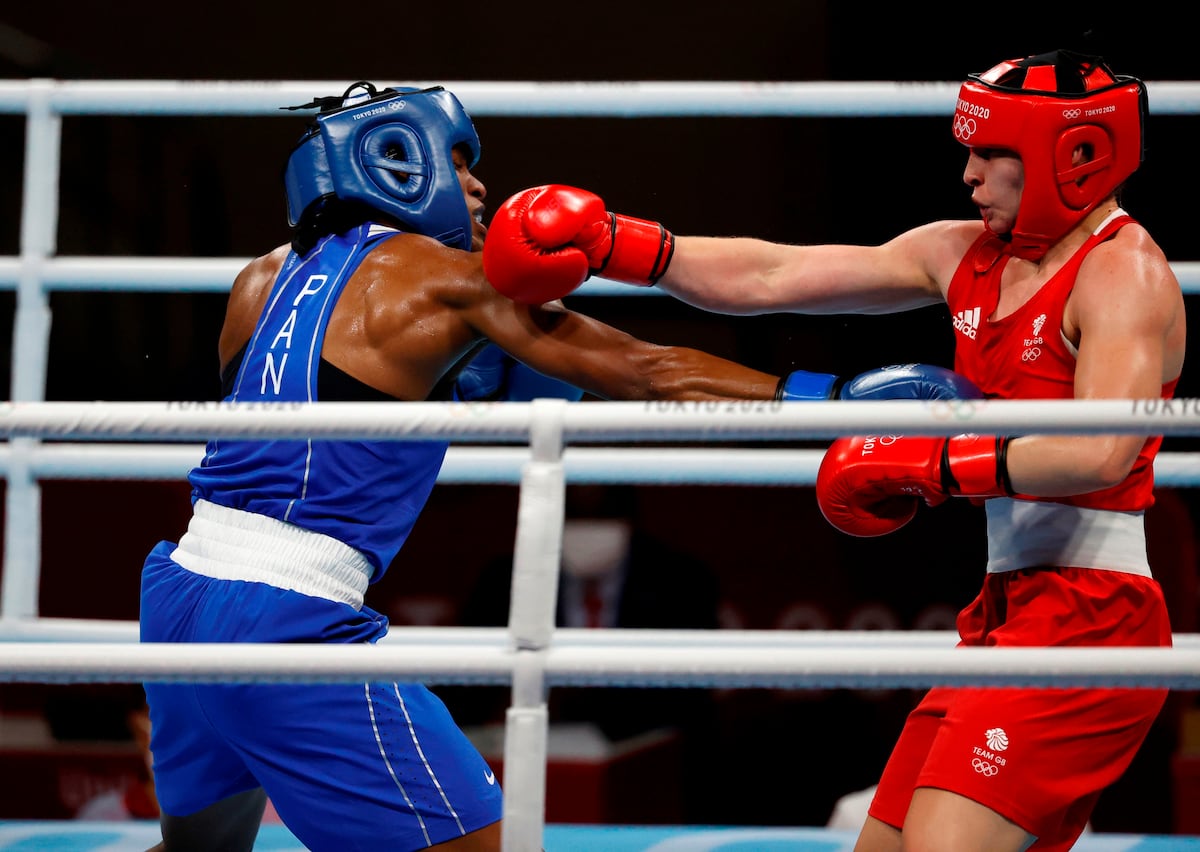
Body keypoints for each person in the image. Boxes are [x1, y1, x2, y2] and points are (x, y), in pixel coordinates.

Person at [137, 81, 974, 852]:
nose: (478, 188)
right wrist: (838, 401)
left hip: (178, 596)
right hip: (290, 619)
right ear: (394, 161)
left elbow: (301, 431)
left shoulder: (257, 281)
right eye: (459, 163)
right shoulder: (449, 281)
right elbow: (649, 371)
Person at [481, 50, 1184, 852]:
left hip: (1092, 616)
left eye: (993, 155)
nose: (969, 175)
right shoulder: (963, 253)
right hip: (1006, 608)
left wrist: (929, 465)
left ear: (1076, 157)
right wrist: (622, 245)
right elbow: (772, 275)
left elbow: (1101, 452)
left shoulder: (1122, 274)